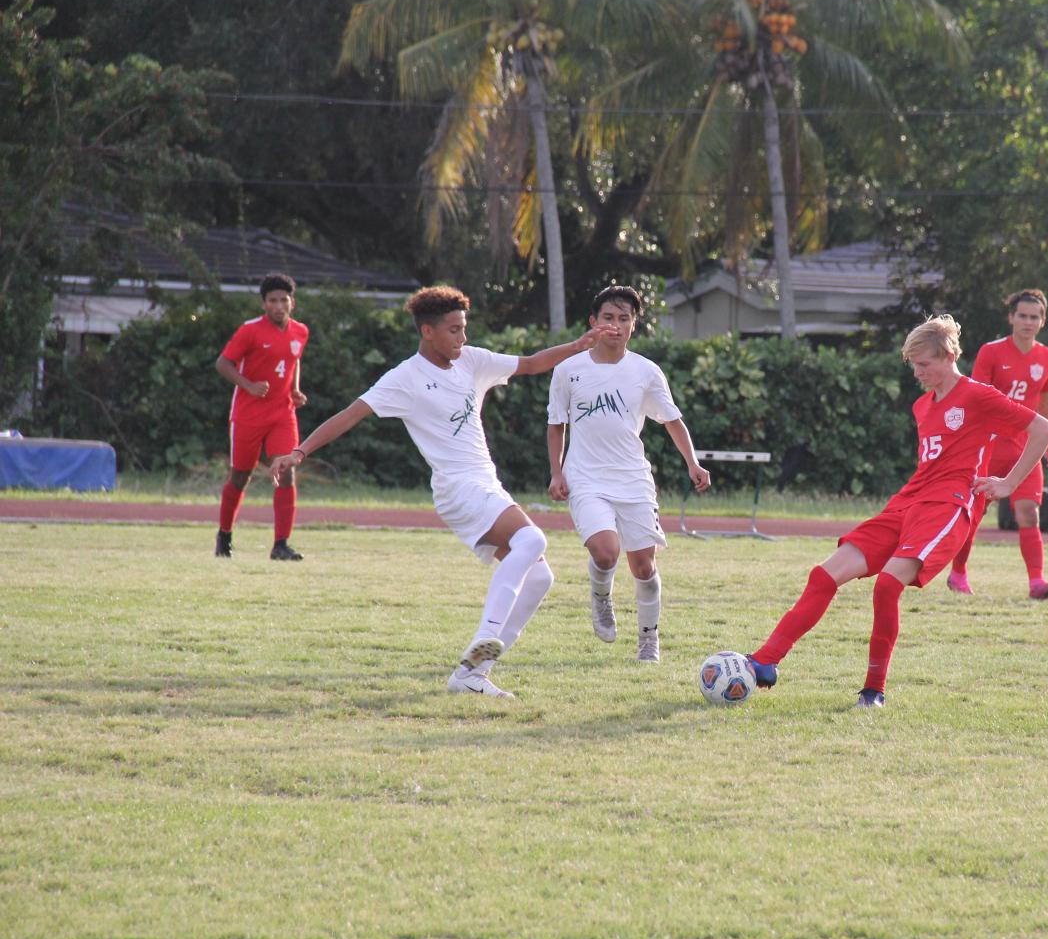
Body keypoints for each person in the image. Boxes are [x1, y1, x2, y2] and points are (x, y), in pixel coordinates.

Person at [268, 286, 616, 699]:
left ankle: (473, 674)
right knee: (532, 538)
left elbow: (530, 363)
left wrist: (577, 345)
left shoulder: (472, 361)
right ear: (427, 331)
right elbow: (351, 415)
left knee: (540, 576)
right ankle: (484, 637)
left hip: (484, 482)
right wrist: (300, 450)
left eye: (464, 329)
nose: (462, 338)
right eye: (454, 330)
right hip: (456, 487)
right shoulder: (404, 378)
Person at [743, 314, 1048, 707]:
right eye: (914, 365)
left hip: (948, 507)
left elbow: (1044, 430)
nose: (918, 373)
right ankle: (766, 661)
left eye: (924, 364)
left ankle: (874, 690)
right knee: (823, 575)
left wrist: (1008, 483)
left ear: (949, 356)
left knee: (887, 585)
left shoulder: (978, 395)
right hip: (906, 501)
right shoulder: (922, 406)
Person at [545, 286, 711, 664]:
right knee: (605, 553)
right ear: (593, 322)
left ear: (634, 326)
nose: (615, 326)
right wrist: (556, 472)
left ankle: (649, 639)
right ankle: (601, 598)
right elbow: (557, 424)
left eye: (623, 319)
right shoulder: (569, 369)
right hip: (585, 477)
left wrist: (693, 462)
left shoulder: (646, 371)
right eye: (607, 318)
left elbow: (672, 420)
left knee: (644, 566)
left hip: (633, 478)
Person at [945, 288, 1048, 600]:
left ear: (1042, 321)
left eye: (1034, 317)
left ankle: (1036, 583)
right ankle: (958, 573)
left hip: (1027, 448)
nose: (1027, 321)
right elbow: (976, 397)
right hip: (992, 445)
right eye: (1022, 315)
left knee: (1028, 513)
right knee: (976, 512)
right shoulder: (991, 352)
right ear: (1011, 318)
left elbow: (1044, 398)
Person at [214, 273, 309, 560]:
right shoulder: (250, 331)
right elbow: (223, 363)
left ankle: (281, 545)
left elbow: (294, 361)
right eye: (272, 301)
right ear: (264, 304)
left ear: (292, 302)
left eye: (284, 300)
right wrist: (248, 385)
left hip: (282, 414)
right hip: (248, 416)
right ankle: (224, 535)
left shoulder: (300, 331)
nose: (279, 305)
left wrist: (294, 389)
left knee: (286, 471)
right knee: (240, 477)